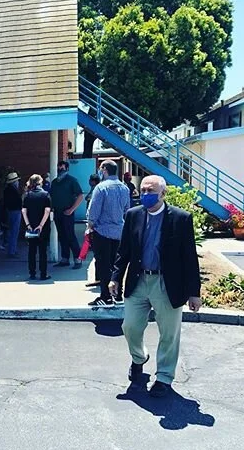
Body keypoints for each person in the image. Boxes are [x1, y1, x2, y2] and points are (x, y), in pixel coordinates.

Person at [110, 175, 202, 398]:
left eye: (150, 191)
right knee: (129, 326)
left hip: (167, 283)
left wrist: (194, 292)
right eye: (142, 191)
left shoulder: (180, 219)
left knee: (169, 333)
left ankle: (164, 378)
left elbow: (189, 256)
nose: (145, 195)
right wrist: (115, 277)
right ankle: (139, 358)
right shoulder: (133, 215)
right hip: (139, 280)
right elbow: (124, 251)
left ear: (163, 193)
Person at [87, 160, 130, 308]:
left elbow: (93, 211)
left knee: (103, 266)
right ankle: (117, 295)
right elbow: (126, 209)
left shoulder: (100, 188)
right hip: (119, 232)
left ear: (104, 170)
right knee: (116, 265)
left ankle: (105, 296)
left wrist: (90, 226)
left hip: (102, 232)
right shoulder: (124, 188)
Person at [49, 160, 84, 269]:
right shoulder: (54, 182)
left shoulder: (72, 181)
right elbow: (52, 196)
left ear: (67, 169)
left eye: (62, 168)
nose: (60, 170)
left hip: (68, 212)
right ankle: (65, 259)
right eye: (59, 168)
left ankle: (78, 259)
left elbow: (80, 196)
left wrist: (72, 209)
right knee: (62, 236)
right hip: (57, 212)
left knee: (70, 235)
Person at [22, 175, 52, 281]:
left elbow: (24, 211)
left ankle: (32, 273)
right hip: (43, 227)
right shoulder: (45, 194)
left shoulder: (27, 195)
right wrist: (41, 225)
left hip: (31, 227)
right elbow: (47, 211)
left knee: (31, 251)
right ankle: (43, 274)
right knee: (43, 251)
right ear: (40, 182)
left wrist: (28, 225)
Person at [85, 174, 102, 288]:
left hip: (97, 226)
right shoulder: (96, 189)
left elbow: (93, 209)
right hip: (105, 227)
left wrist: (89, 226)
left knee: (99, 256)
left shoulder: (98, 190)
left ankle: (99, 279)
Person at [3, 172, 22, 258]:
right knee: (14, 231)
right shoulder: (14, 191)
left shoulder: (6, 190)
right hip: (15, 211)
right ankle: (12, 251)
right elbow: (18, 201)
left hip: (9, 211)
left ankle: (12, 250)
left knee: (11, 231)